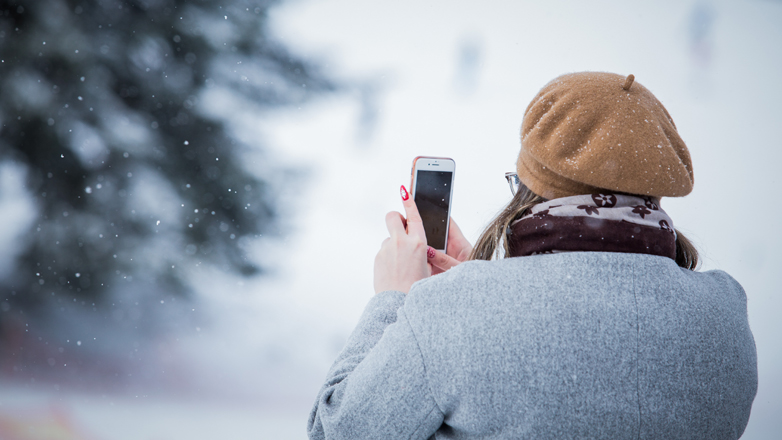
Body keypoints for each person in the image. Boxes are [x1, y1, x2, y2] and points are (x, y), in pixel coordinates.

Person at [307, 72, 757, 439]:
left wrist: (397, 302)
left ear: (531, 190)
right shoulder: (726, 311)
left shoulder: (454, 312)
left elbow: (336, 432)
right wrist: (479, 290)